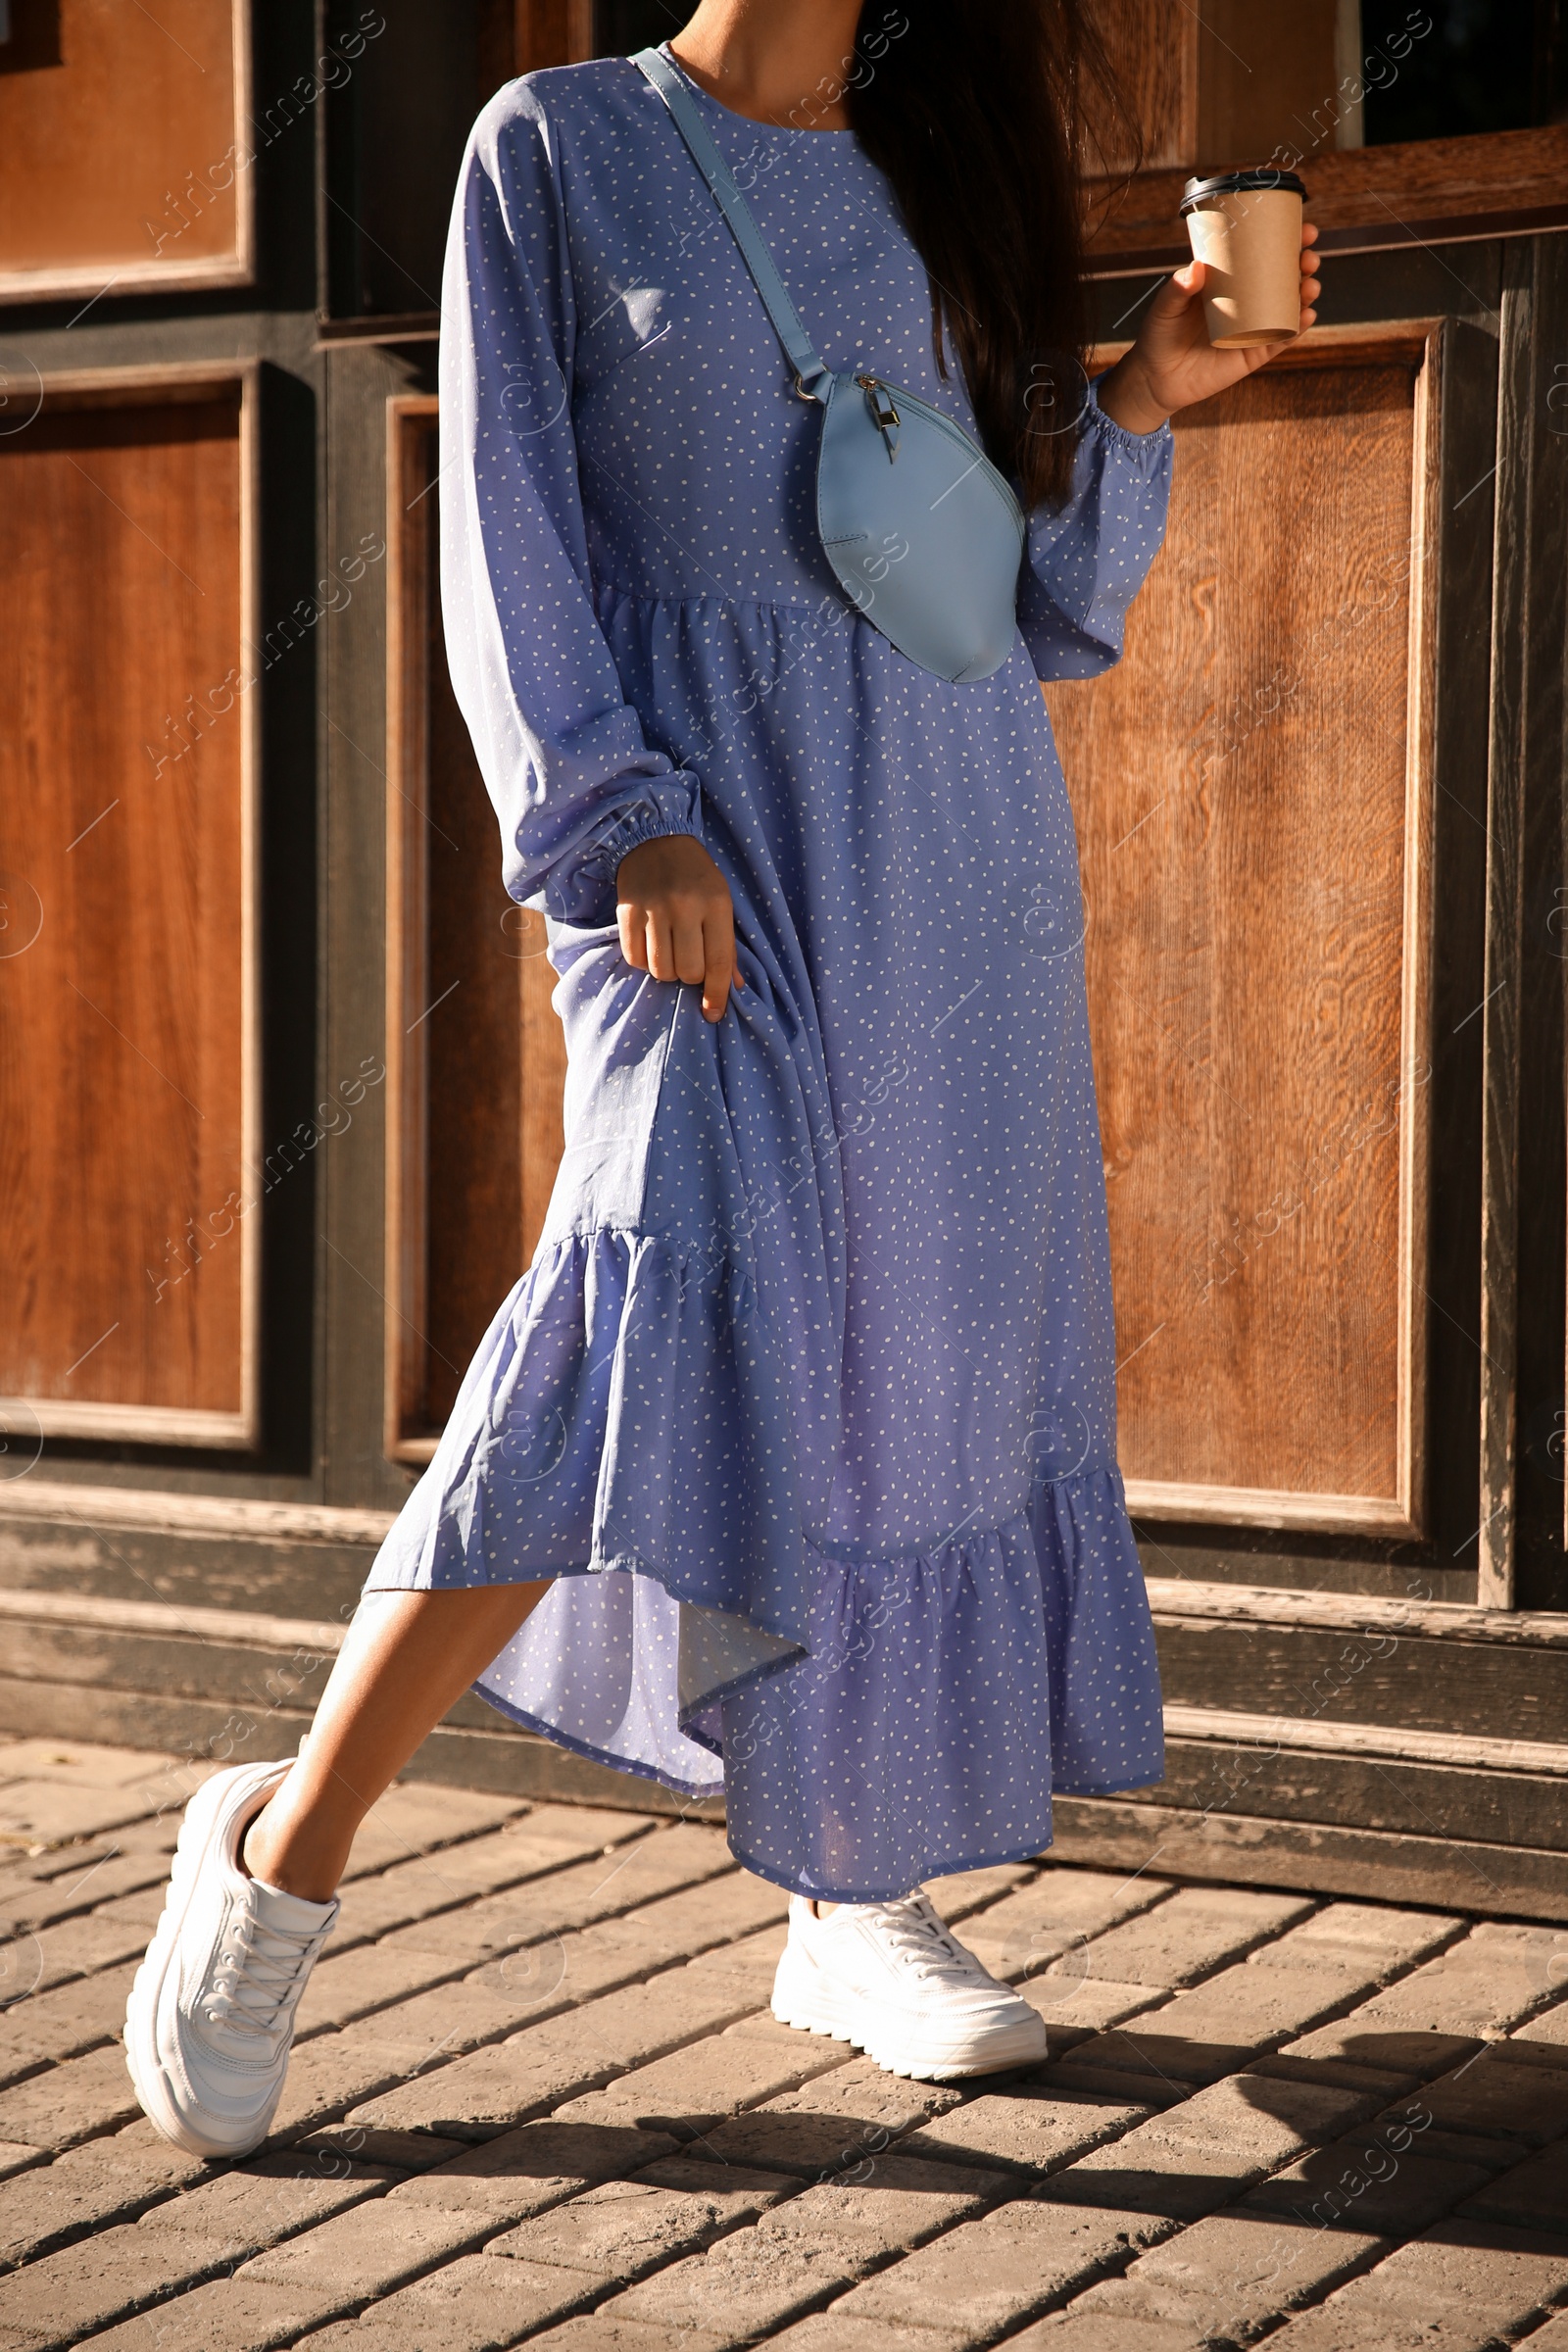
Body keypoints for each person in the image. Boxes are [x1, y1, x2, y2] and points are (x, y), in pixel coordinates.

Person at [124, 0, 1320, 2159]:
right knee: (625, 1323)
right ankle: (276, 1863)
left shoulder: (936, 161)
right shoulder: (554, 143)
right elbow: (501, 517)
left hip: (947, 840)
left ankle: (847, 1886)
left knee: (920, 1351)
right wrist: (611, 810)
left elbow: (1011, 600)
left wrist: (1144, 394)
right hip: (694, 845)